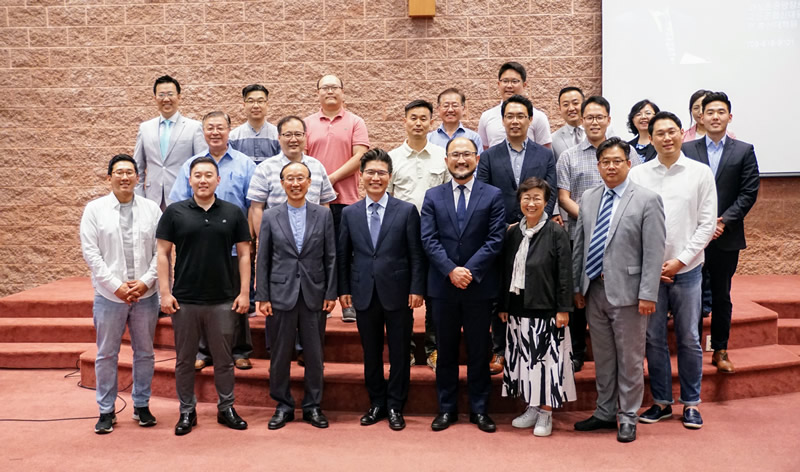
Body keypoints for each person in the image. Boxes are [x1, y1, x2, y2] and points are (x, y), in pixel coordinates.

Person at [572, 137, 665, 443]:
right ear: (598, 166)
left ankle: (628, 416)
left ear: (628, 163)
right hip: (594, 289)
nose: (610, 167)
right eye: (605, 162)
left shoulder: (647, 199)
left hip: (630, 294)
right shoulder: (588, 197)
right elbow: (580, 245)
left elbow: (654, 251)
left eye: (616, 161)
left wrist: (648, 293)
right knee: (604, 358)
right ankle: (604, 411)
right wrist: (578, 285)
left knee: (630, 359)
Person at [630, 111, 717, 430]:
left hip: (688, 270)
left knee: (689, 337)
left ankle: (691, 403)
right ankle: (662, 402)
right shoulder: (638, 175)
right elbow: (631, 223)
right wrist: (651, 265)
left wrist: (681, 260)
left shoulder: (700, 173)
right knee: (653, 338)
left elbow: (707, 224)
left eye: (671, 131)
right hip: (651, 273)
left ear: (682, 133)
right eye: (660, 133)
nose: (666, 138)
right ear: (650, 138)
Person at [156, 156, 251, 436]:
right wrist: (165, 292)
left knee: (224, 360)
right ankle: (187, 410)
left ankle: (226, 408)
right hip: (184, 300)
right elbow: (162, 253)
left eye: (209, 175)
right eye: (197, 175)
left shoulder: (233, 212)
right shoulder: (174, 212)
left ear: (218, 180)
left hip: (223, 299)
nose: (203, 180)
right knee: (185, 360)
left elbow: (245, 254)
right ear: (190, 180)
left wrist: (245, 292)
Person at [421, 137, 506, 433]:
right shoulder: (433, 196)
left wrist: (468, 271)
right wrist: (450, 270)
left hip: (479, 286)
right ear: (446, 160)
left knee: (479, 351)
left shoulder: (493, 195)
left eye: (467, 154)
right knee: (445, 351)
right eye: (455, 154)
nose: (461, 160)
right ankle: (447, 409)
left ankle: (479, 410)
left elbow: (495, 239)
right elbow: (428, 239)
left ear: (477, 159)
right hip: (443, 287)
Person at [338, 149, 426, 431]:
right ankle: (376, 402)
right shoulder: (350, 213)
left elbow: (416, 254)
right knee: (371, 352)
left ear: (390, 176)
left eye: (381, 173)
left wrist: (417, 288)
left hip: (398, 292)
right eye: (370, 173)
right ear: (361, 176)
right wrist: (343, 289)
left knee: (400, 352)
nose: (375, 178)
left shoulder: (406, 211)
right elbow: (343, 255)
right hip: (363, 291)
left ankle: (396, 405)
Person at [556, 96, 640, 372]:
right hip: (578, 237)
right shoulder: (569, 156)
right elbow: (564, 197)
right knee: (579, 294)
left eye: (599, 117)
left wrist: (610, 222)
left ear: (608, 119)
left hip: (621, 238)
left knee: (614, 292)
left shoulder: (626, 152)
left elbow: (637, 189)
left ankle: (619, 353)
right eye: (589, 117)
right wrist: (593, 220)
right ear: (582, 121)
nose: (594, 122)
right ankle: (578, 352)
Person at [476, 93, 558, 376]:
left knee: (532, 289)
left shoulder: (544, 155)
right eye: (509, 116)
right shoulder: (489, 156)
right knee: (500, 291)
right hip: (501, 233)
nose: (515, 121)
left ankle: (532, 347)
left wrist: (534, 223)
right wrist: (501, 226)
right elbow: (482, 193)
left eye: (520, 116)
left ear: (530, 120)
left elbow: (551, 192)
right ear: (502, 120)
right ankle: (499, 349)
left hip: (536, 232)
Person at [80, 154, 162, 434]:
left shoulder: (152, 209)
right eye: (119, 172)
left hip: (145, 295)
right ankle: (106, 410)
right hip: (109, 295)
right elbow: (91, 254)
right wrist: (116, 286)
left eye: (130, 172)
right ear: (109, 177)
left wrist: (146, 282)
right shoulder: (95, 210)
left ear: (138, 177)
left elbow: (161, 251)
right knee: (106, 354)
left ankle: (142, 405)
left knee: (145, 353)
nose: (125, 177)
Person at [170, 111, 257, 371]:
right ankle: (203, 351)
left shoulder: (245, 164)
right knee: (202, 300)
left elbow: (253, 205)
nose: (215, 132)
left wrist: (248, 239)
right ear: (204, 132)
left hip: (233, 245)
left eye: (220, 127)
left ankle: (240, 350)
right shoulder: (192, 165)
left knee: (237, 297)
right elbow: (178, 205)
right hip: (199, 248)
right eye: (210, 128)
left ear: (230, 131)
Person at [256, 161, 337, 430]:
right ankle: (283, 405)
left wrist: (331, 292)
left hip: (314, 293)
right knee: (280, 354)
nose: (295, 183)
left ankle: (313, 406)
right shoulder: (271, 216)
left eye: (300, 178)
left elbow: (331, 256)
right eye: (289, 178)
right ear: (282, 184)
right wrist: (262, 296)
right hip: (280, 293)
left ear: (309, 182)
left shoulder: (323, 215)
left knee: (314, 354)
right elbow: (263, 258)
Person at [682, 92, 760, 374]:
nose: (715, 117)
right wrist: (702, 224)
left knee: (721, 294)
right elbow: (681, 191)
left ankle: (720, 349)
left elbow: (748, 192)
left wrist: (723, 221)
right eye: (710, 112)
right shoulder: (687, 149)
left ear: (730, 116)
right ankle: (689, 347)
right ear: (700, 117)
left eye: (721, 112)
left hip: (725, 237)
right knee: (690, 293)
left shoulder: (744, 150)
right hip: (691, 235)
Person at [498, 177, 575, 437]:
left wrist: (563, 309)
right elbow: (505, 271)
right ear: (519, 201)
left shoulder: (556, 232)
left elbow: (565, 274)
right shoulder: (513, 233)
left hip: (547, 310)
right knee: (525, 362)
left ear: (546, 202)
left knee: (547, 364)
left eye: (537, 198)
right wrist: (504, 305)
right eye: (526, 198)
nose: (531, 203)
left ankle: (546, 413)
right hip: (518, 310)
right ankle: (531, 406)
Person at [388, 99, 449, 371]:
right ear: (404, 121)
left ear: (431, 122)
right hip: (401, 236)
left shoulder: (442, 156)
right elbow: (386, 197)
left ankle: (434, 349)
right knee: (403, 294)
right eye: (413, 118)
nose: (418, 123)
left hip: (436, 234)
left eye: (424, 118)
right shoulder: (392, 158)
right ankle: (407, 349)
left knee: (435, 295)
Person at [305, 74, 370, 322]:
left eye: (334, 87)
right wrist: (321, 184)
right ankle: (319, 301)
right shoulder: (307, 123)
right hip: (314, 202)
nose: (330, 91)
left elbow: (360, 157)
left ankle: (347, 302)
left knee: (346, 253)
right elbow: (303, 159)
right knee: (316, 252)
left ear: (343, 92)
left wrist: (329, 179)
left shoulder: (355, 122)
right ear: (317, 93)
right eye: (325, 87)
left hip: (346, 201)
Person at [133, 75, 206, 209]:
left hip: (184, 198)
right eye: (161, 95)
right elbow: (138, 167)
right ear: (155, 98)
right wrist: (140, 197)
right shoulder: (145, 128)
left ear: (179, 97)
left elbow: (202, 165)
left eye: (170, 94)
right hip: (152, 199)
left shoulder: (194, 127)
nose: (166, 99)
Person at [478, 61, 552, 150]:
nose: (509, 86)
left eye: (514, 81)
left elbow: (545, 152)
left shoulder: (538, 117)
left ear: (524, 85)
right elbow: (483, 150)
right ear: (499, 84)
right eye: (505, 81)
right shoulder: (486, 117)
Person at [229, 84, 281, 164]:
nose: (256, 106)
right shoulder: (234, 136)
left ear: (267, 105)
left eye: (260, 101)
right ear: (244, 105)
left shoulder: (277, 135)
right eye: (251, 101)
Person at [551, 86, 586, 161]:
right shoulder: (553, 139)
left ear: (584, 105)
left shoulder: (597, 132)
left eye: (575, 103)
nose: (571, 108)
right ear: (560, 109)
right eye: (566, 105)